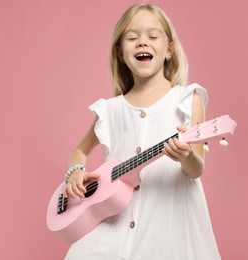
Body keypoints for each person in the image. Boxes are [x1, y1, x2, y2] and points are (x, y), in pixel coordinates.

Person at [63, 3, 220, 259]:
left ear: (169, 50)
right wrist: (75, 172)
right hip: (111, 225)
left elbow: (196, 169)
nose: (142, 43)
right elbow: (80, 151)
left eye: (153, 36)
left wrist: (185, 157)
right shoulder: (109, 110)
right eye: (132, 37)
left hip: (167, 226)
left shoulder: (188, 100)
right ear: (120, 53)